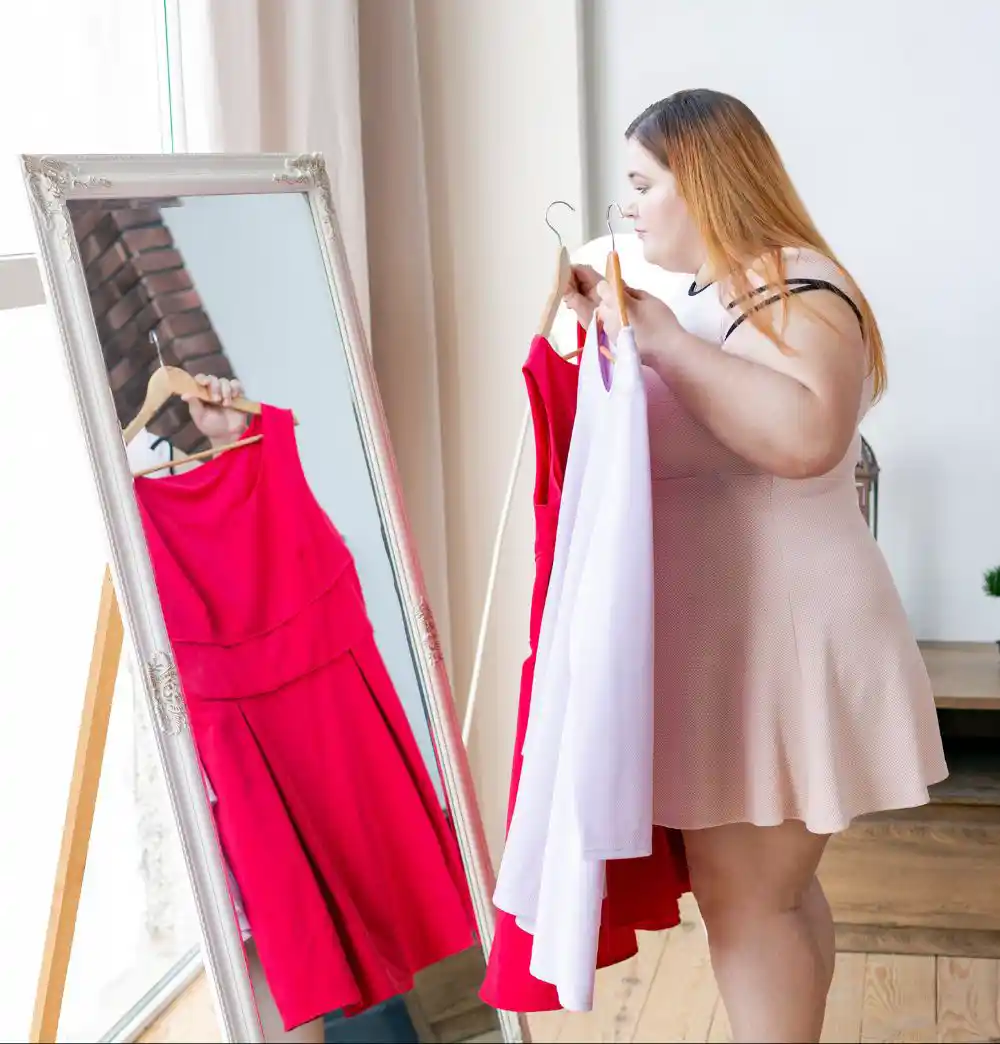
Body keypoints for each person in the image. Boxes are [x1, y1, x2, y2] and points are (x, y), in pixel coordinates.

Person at [562, 89, 946, 1044]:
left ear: (704, 183)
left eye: (644, 185)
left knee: (750, 905)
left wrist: (655, 343)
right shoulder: (744, 294)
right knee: (772, 895)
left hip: (783, 637)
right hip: (755, 637)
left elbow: (808, 435)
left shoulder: (796, 287)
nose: (631, 209)